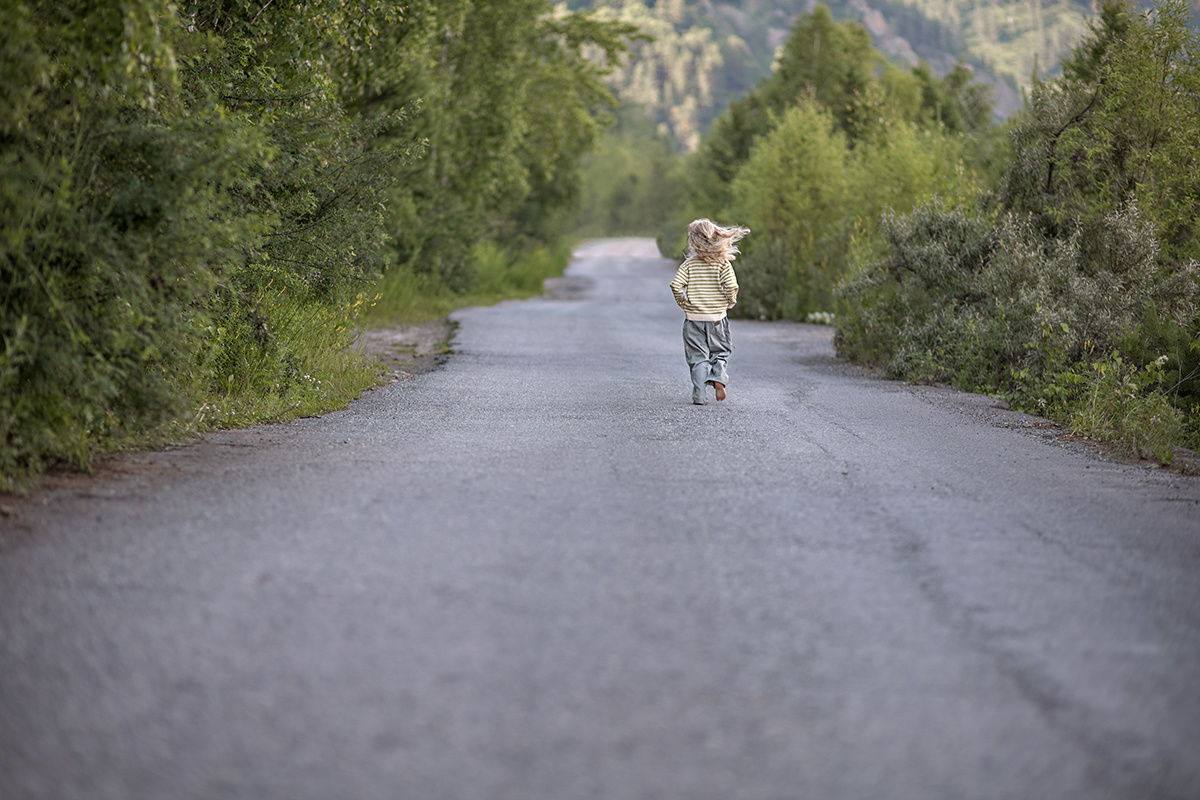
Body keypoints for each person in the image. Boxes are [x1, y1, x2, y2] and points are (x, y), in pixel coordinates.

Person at [669, 218, 750, 405]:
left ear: (693, 241)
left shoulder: (689, 264)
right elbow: (732, 286)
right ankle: (719, 378)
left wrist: (684, 303)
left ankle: (699, 394)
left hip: (693, 320)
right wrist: (730, 301)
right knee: (720, 351)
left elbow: (676, 285)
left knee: (698, 357)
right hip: (717, 319)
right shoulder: (722, 264)